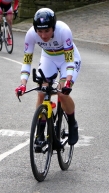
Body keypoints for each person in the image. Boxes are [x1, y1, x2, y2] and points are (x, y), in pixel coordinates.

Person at [15, 8, 82, 145]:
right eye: (39, 31)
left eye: (47, 31)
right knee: (41, 92)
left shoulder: (63, 30)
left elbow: (69, 61)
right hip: (48, 58)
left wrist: (67, 81)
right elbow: (27, 61)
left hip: (67, 59)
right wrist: (23, 84)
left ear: (53, 27)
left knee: (61, 93)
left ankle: (72, 123)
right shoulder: (30, 35)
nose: (43, 35)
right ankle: (40, 131)